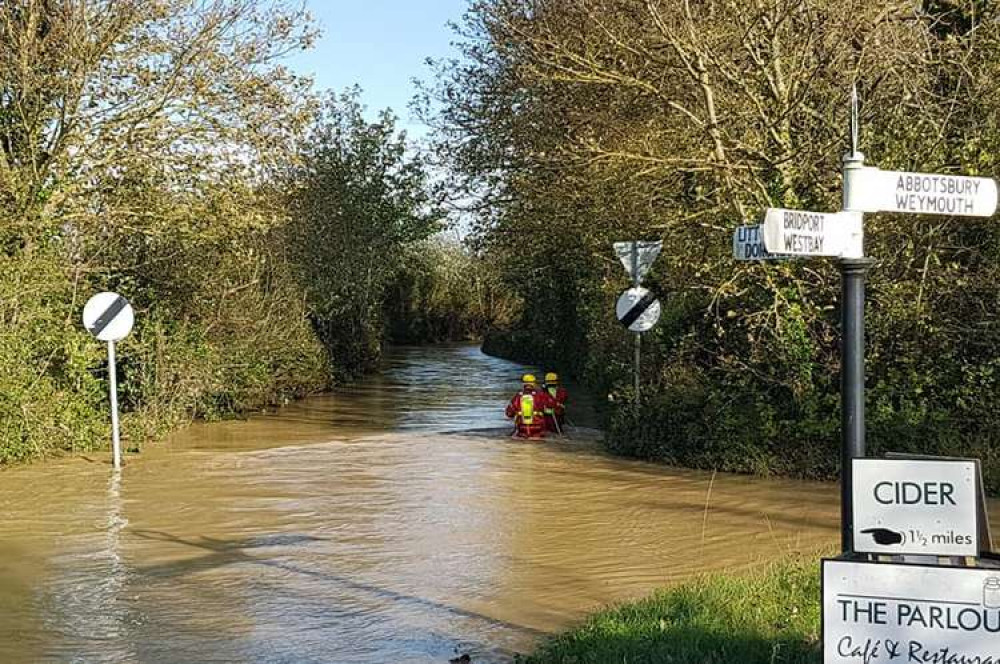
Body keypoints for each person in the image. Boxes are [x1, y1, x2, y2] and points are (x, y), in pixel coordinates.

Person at [505, 374, 549, 439]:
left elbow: (509, 413)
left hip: (522, 427)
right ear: (534, 383)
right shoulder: (541, 395)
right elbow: (549, 407)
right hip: (538, 426)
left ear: (524, 384)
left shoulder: (518, 396)